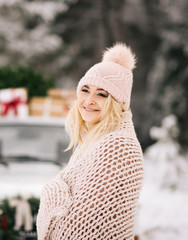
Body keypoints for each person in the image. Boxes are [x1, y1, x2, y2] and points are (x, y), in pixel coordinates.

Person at [36, 43, 144, 240]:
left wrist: (52, 190)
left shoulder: (118, 146)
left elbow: (79, 230)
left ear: (118, 103)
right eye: (85, 90)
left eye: (101, 94)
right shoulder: (97, 140)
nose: (89, 100)